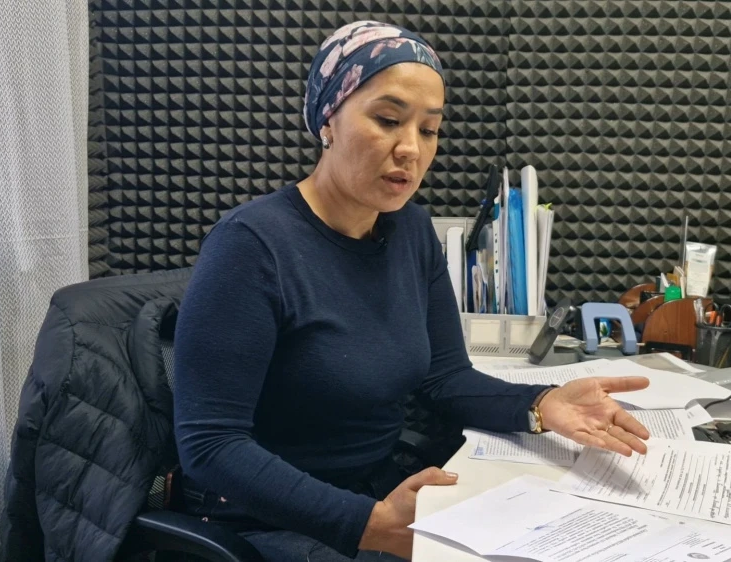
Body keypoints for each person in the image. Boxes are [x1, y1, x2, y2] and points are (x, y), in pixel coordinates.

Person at [173, 20, 651, 562]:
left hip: (378, 494)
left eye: (429, 129)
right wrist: (365, 524)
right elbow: (210, 445)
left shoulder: (411, 231)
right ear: (327, 120)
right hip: (270, 521)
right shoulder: (250, 245)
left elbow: (445, 378)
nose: (411, 149)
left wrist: (541, 405)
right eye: (387, 120)